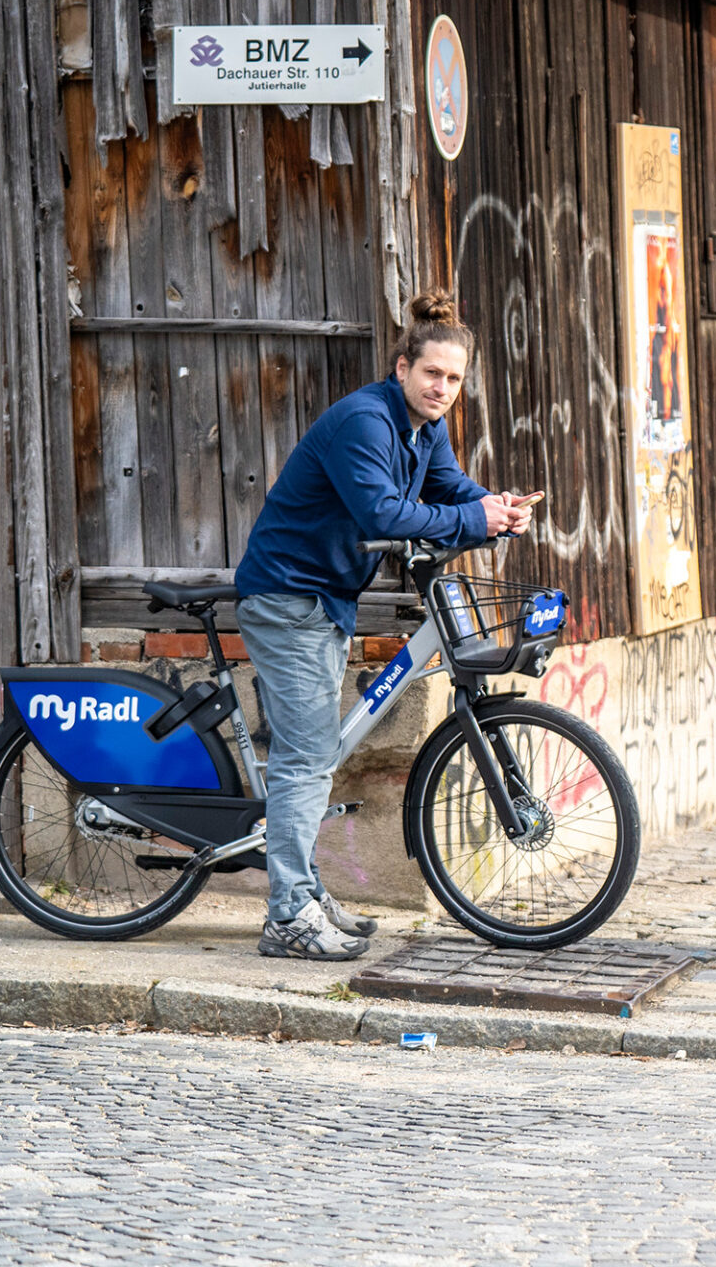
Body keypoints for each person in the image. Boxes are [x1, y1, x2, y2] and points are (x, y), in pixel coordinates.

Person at [234, 291, 538, 961]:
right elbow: (383, 515)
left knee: (316, 755)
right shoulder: (367, 423)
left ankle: (305, 894)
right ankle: (287, 914)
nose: (442, 388)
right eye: (432, 373)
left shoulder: (424, 427)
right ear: (402, 366)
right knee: (307, 758)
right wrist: (474, 522)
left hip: (323, 599)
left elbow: (446, 486)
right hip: (287, 598)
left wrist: (493, 503)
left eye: (455, 379)